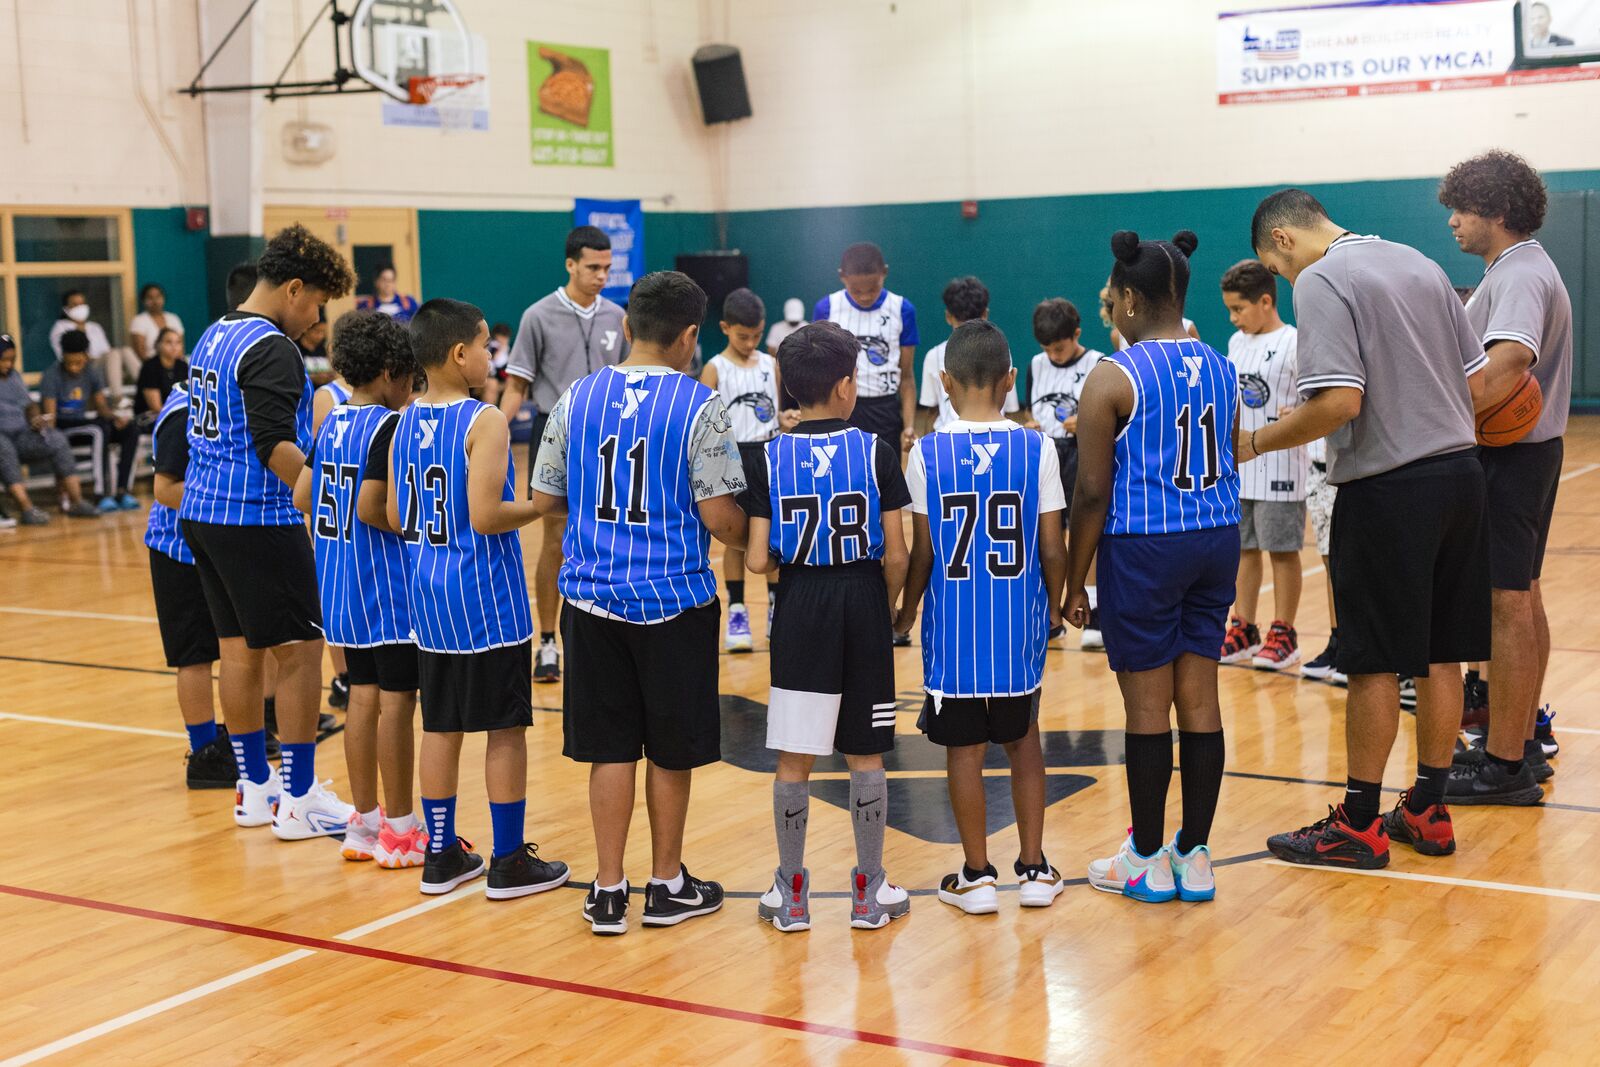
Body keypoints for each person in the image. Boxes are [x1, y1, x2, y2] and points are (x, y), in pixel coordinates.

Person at [1242, 189, 1496, 867]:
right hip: (1462, 477)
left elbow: (1339, 401)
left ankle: (1357, 822)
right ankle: (1429, 807)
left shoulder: (1324, 277)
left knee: (1374, 659)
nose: (1287, 280)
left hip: (1390, 489)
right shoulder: (1417, 261)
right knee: (1442, 653)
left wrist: (1256, 441)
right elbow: (1477, 387)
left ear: (1284, 242)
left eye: (1278, 267)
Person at [530, 271, 748, 936]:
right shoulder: (700, 404)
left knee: (611, 749)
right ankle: (667, 882)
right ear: (689, 337)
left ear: (626, 328)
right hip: (673, 601)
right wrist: (752, 527)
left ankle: (606, 887)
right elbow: (720, 520)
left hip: (591, 601)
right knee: (670, 751)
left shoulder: (577, 397)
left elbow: (549, 494)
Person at [1063, 230, 1236, 905]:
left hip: (1146, 546)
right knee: (1201, 698)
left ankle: (1143, 858)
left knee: (1145, 707)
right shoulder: (1222, 364)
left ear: (1130, 299)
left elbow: (1092, 490)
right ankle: (1194, 854)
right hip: (1217, 536)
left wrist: (1075, 578)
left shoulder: (1113, 374)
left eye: (1112, 300)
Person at [178, 223, 357, 839]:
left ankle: (255, 787)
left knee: (238, 650)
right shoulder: (273, 346)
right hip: (255, 518)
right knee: (303, 651)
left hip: (202, 514)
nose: (314, 320)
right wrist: (327, 498)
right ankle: (301, 795)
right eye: (315, 305)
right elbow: (275, 445)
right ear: (294, 288)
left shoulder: (215, 333)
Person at [387, 298, 570, 897]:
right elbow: (488, 514)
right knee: (504, 730)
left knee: (440, 727)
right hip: (486, 603)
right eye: (487, 345)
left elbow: (393, 512)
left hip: (429, 601)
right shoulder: (482, 420)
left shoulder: (403, 419)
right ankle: (509, 860)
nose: (493, 355)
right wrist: (542, 507)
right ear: (459, 354)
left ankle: (439, 855)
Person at [743, 320, 911, 931]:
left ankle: (791, 895)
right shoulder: (876, 450)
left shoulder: (768, 456)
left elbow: (758, 558)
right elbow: (897, 552)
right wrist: (885, 606)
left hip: (802, 603)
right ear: (847, 386)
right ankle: (869, 892)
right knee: (865, 755)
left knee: (796, 757)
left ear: (786, 387)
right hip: (863, 598)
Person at [897, 319, 1068, 914]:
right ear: (1011, 380)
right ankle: (1036, 868)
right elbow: (1052, 547)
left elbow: (921, 554)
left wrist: (905, 613)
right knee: (1025, 744)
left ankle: (976, 876)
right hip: (1017, 634)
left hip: (955, 641)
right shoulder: (1038, 445)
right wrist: (1061, 601)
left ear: (943, 382)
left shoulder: (925, 454)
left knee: (963, 755)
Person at [1441, 149, 1572, 800]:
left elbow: (1510, 362)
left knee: (1507, 604)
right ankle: (1518, 743)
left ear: (1495, 210)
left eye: (1460, 210)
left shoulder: (1519, 273)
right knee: (1523, 595)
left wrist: (1440, 416)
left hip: (1513, 455)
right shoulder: (1520, 267)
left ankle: (1504, 764)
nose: (1453, 223)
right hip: (1530, 454)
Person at [296, 310, 425, 865]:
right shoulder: (390, 427)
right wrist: (419, 521)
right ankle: (399, 827)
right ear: (392, 372)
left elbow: (303, 495)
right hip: (385, 588)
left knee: (361, 698)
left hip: (339, 584)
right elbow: (377, 509)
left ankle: (364, 824)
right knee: (397, 702)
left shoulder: (335, 421)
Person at [499, 225, 630, 684]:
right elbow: (517, 384)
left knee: (613, 534)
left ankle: (609, 633)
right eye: (593, 267)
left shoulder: (618, 315)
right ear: (571, 264)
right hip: (555, 431)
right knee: (554, 539)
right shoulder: (538, 315)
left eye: (608, 268)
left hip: (613, 437)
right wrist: (495, 432)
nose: (601, 276)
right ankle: (549, 642)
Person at [1218, 259, 1306, 671]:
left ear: (1266, 301)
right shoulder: (1237, 344)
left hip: (1281, 467)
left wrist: (1300, 411)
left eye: (1239, 309)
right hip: (1240, 467)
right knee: (1244, 549)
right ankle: (1244, 626)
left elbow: (1318, 398)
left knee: (1283, 551)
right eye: (1230, 311)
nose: (1234, 318)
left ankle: (1284, 632)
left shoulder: (1294, 342)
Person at [701, 288, 798, 651]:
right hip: (730, 456)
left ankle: (775, 607)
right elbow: (702, 421)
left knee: (771, 536)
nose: (750, 342)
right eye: (743, 336)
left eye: (756, 335)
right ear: (725, 327)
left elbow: (774, 412)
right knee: (735, 538)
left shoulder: (769, 364)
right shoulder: (715, 368)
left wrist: (785, 419)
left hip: (769, 454)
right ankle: (738, 609)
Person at [148, 381, 234, 789]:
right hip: (177, 549)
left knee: (237, 645)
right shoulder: (185, 411)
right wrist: (226, 494)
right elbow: (165, 489)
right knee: (195, 655)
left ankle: (238, 735)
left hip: (216, 539)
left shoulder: (225, 400)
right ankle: (204, 754)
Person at [1025, 298, 1105, 651]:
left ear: (1077, 334)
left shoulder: (1098, 363)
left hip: (1084, 454)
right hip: (1045, 457)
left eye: (1059, 348)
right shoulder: (1035, 365)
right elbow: (1028, 411)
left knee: (1087, 539)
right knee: (1047, 539)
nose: (1054, 356)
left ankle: (1095, 613)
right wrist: (1028, 424)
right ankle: (1051, 616)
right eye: (1048, 349)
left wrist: (1086, 423)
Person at [815, 242, 919, 451]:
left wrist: (908, 426)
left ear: (885, 273)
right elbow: (817, 371)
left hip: (885, 410)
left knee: (882, 477)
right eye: (855, 290)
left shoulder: (902, 309)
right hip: (839, 409)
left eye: (872, 289)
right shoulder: (827, 308)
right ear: (842, 276)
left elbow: (906, 376)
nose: (864, 296)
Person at [0, 334, 98, 524]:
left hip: (21, 435)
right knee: (4, 450)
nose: (8, 365)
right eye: (4, 360)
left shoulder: (14, 377)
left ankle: (76, 501)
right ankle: (27, 508)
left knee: (57, 440)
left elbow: (29, 405)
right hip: (2, 438)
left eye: (12, 360)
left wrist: (36, 418)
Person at [40, 330, 140, 510]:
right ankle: (101, 494)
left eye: (78, 362)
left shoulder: (91, 372)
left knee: (129, 429)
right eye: (69, 363)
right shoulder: (51, 375)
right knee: (98, 430)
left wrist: (115, 418)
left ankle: (123, 490)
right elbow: (51, 419)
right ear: (62, 356)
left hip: (85, 425)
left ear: (86, 356)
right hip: (63, 427)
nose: (73, 368)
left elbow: (101, 406)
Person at [917, 276, 1019, 433]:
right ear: (985, 313)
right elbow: (1011, 412)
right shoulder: (1000, 349)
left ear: (948, 316)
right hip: (977, 441)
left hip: (949, 446)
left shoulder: (934, 355)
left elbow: (931, 413)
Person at [1298, 434, 1345, 686]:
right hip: (1317, 471)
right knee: (1330, 565)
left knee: (1350, 565)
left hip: (1348, 469)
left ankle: (1355, 645)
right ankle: (1337, 641)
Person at [50, 290, 136, 396]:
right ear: (66, 309)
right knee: (113, 353)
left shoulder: (95, 327)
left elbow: (106, 352)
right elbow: (65, 357)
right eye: (75, 304)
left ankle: (146, 384)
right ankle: (117, 398)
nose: (80, 307)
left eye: (82, 304)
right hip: (83, 368)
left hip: (105, 369)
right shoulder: (61, 327)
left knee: (125, 350)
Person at [136, 327, 189, 420]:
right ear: (158, 345)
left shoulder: (182, 365)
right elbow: (155, 407)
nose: (174, 346)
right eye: (169, 342)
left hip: (176, 415)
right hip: (151, 417)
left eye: (178, 342)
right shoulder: (150, 367)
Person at [129, 283, 184, 363]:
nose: (155, 301)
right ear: (144, 301)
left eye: (158, 297)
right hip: (150, 365)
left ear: (163, 298)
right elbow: (140, 352)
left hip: (175, 364)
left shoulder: (174, 318)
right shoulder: (139, 320)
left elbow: (180, 348)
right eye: (150, 298)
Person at [356, 264, 421, 322]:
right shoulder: (366, 305)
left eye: (391, 280)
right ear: (376, 281)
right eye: (384, 280)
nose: (388, 284)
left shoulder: (408, 302)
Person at [482, 322, 513, 407]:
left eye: (506, 337)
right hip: (487, 380)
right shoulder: (490, 348)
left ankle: (514, 415)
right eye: (501, 337)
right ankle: (489, 415)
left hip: (502, 380)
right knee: (492, 383)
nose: (503, 340)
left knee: (515, 382)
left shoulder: (508, 351)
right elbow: (491, 366)